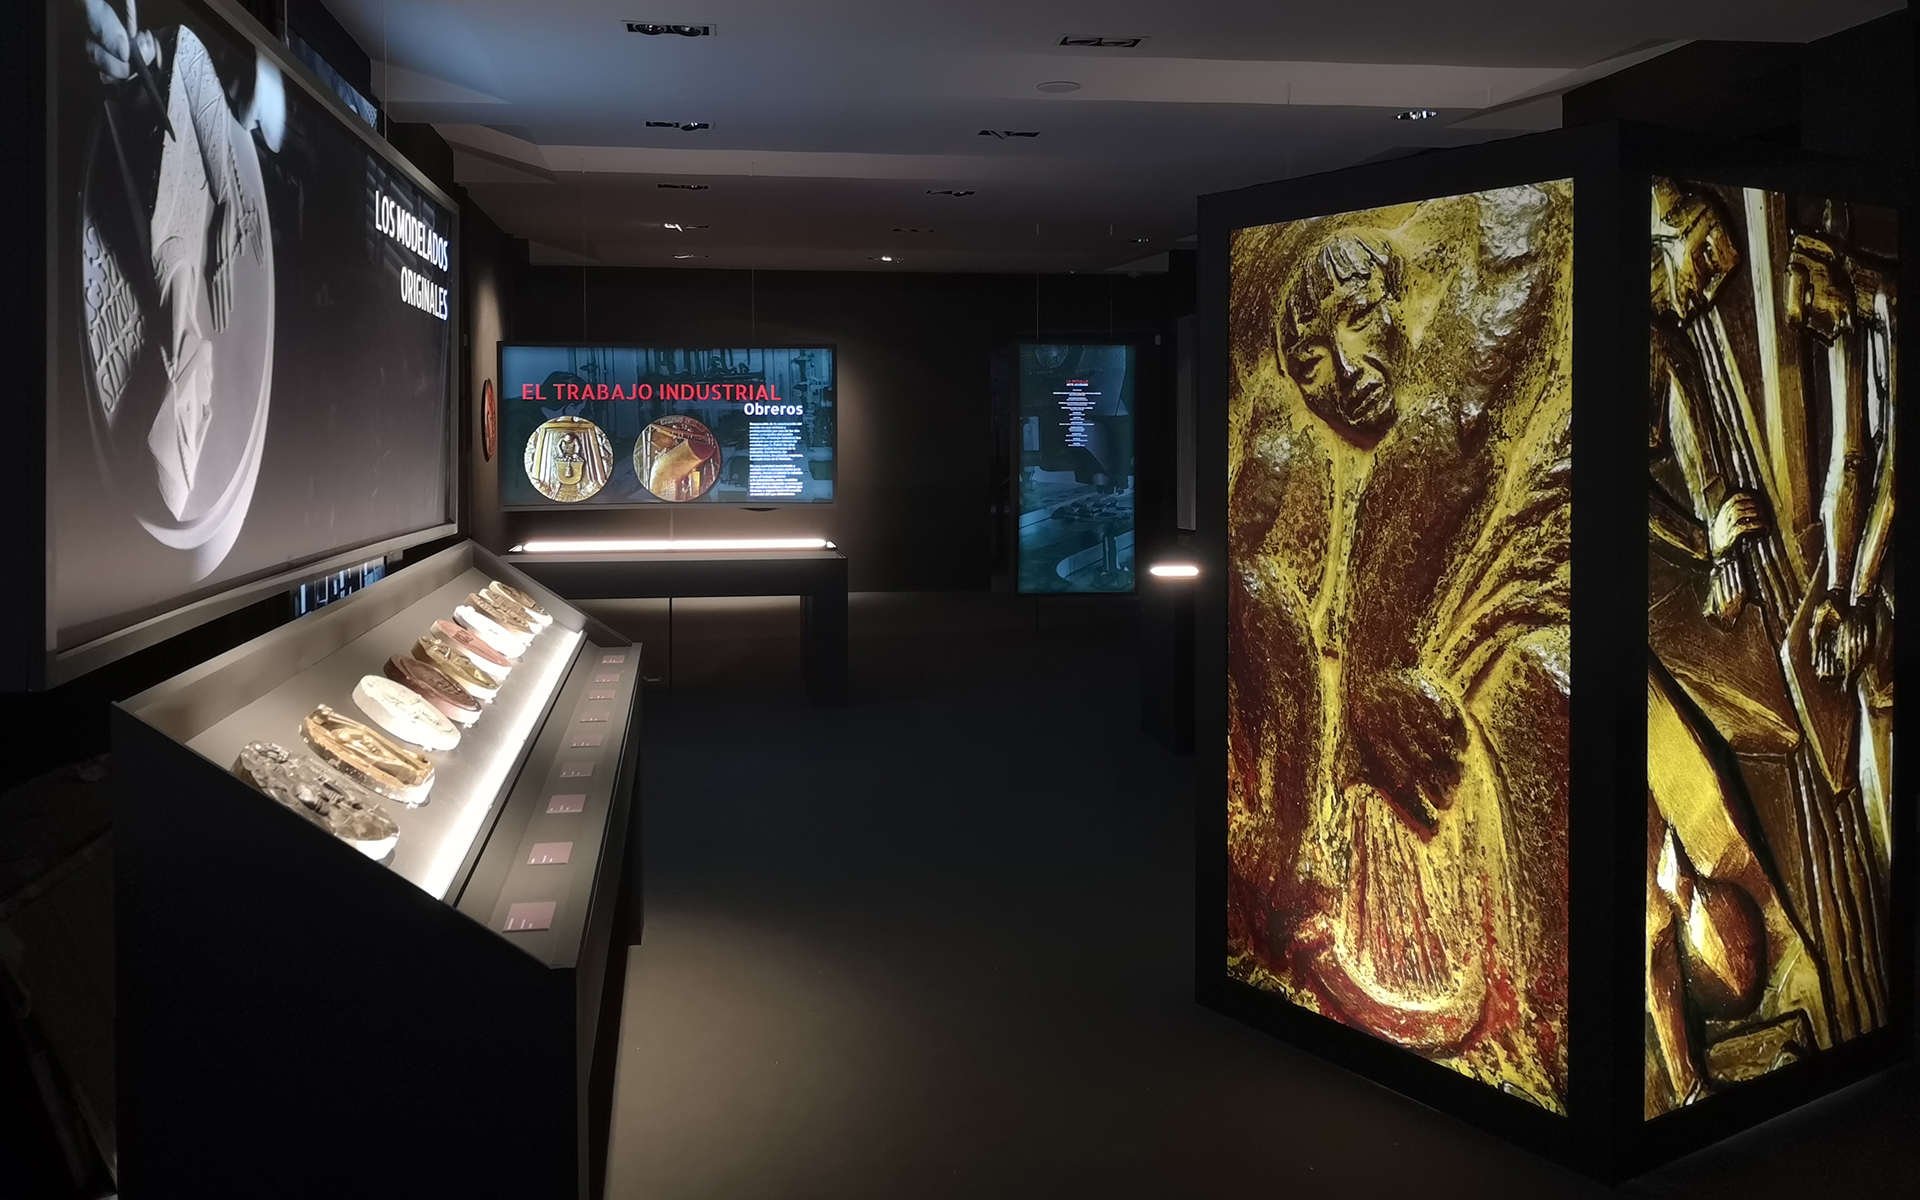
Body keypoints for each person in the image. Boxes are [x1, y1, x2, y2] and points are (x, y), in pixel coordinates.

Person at [1227, 186, 1573, 1109]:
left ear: (1395, 302)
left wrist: (1378, 661)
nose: (1348, 369)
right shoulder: (1294, 468)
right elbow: (1256, 594)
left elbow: (1473, 374)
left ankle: (1545, 1022)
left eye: (1360, 316)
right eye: (1313, 360)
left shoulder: (1433, 406)